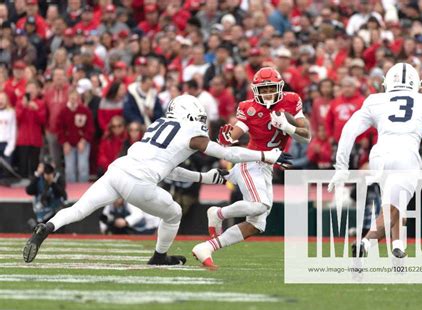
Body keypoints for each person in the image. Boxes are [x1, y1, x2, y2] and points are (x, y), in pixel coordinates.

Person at [23, 95, 292, 266]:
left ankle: (47, 226)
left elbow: (169, 169)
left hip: (119, 169)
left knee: (79, 209)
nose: (201, 122)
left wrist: (202, 177)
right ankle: (159, 256)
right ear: (190, 114)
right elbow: (227, 152)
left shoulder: (157, 125)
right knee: (174, 213)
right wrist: (267, 155)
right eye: (199, 117)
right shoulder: (191, 134)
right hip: (139, 182)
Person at [328, 63, 422, 258]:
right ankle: (366, 242)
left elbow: (348, 131)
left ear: (387, 83)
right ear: (416, 84)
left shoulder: (374, 100)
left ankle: (398, 245)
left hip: (379, 156)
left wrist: (341, 167)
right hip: (407, 156)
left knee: (393, 203)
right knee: (393, 206)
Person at [192, 67, 310, 269]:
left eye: (271, 88)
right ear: (255, 91)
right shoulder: (248, 107)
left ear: (279, 87)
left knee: (257, 224)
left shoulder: (291, 100)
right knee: (260, 205)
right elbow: (237, 132)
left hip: (267, 166)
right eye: (262, 90)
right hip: (251, 161)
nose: (267, 93)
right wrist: (227, 139)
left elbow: (305, 135)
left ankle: (207, 247)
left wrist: (287, 127)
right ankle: (219, 213)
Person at [57, 90, 94, 183]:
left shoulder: (85, 111)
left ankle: (83, 188)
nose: (73, 100)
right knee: (69, 168)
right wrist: (64, 143)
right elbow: (59, 129)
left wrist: (84, 140)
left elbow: (90, 128)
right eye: (71, 97)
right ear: (68, 98)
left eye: (75, 97)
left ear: (78, 98)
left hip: (82, 142)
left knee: (83, 167)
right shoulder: (63, 112)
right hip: (68, 143)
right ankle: (71, 189)